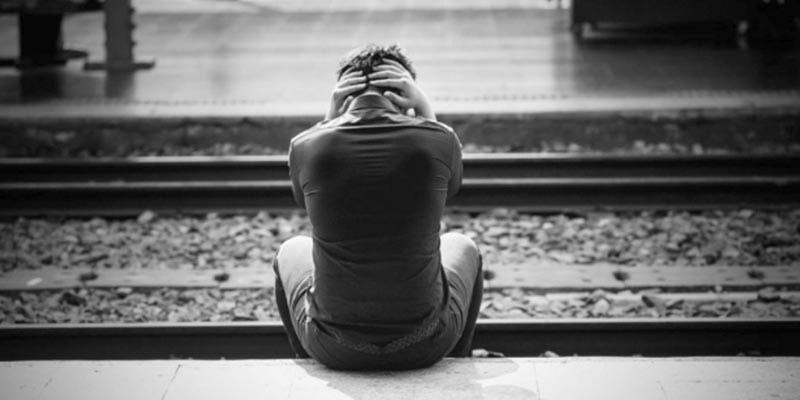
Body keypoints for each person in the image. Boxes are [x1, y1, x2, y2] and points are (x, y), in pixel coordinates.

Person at [273, 44, 483, 371]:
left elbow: (303, 199)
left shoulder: (304, 145)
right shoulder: (441, 139)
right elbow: (450, 187)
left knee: (291, 248)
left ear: (343, 94)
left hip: (334, 347)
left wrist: (329, 119)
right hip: (425, 343)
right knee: (463, 244)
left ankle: (307, 364)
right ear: (404, 91)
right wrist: (425, 109)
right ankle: (458, 364)